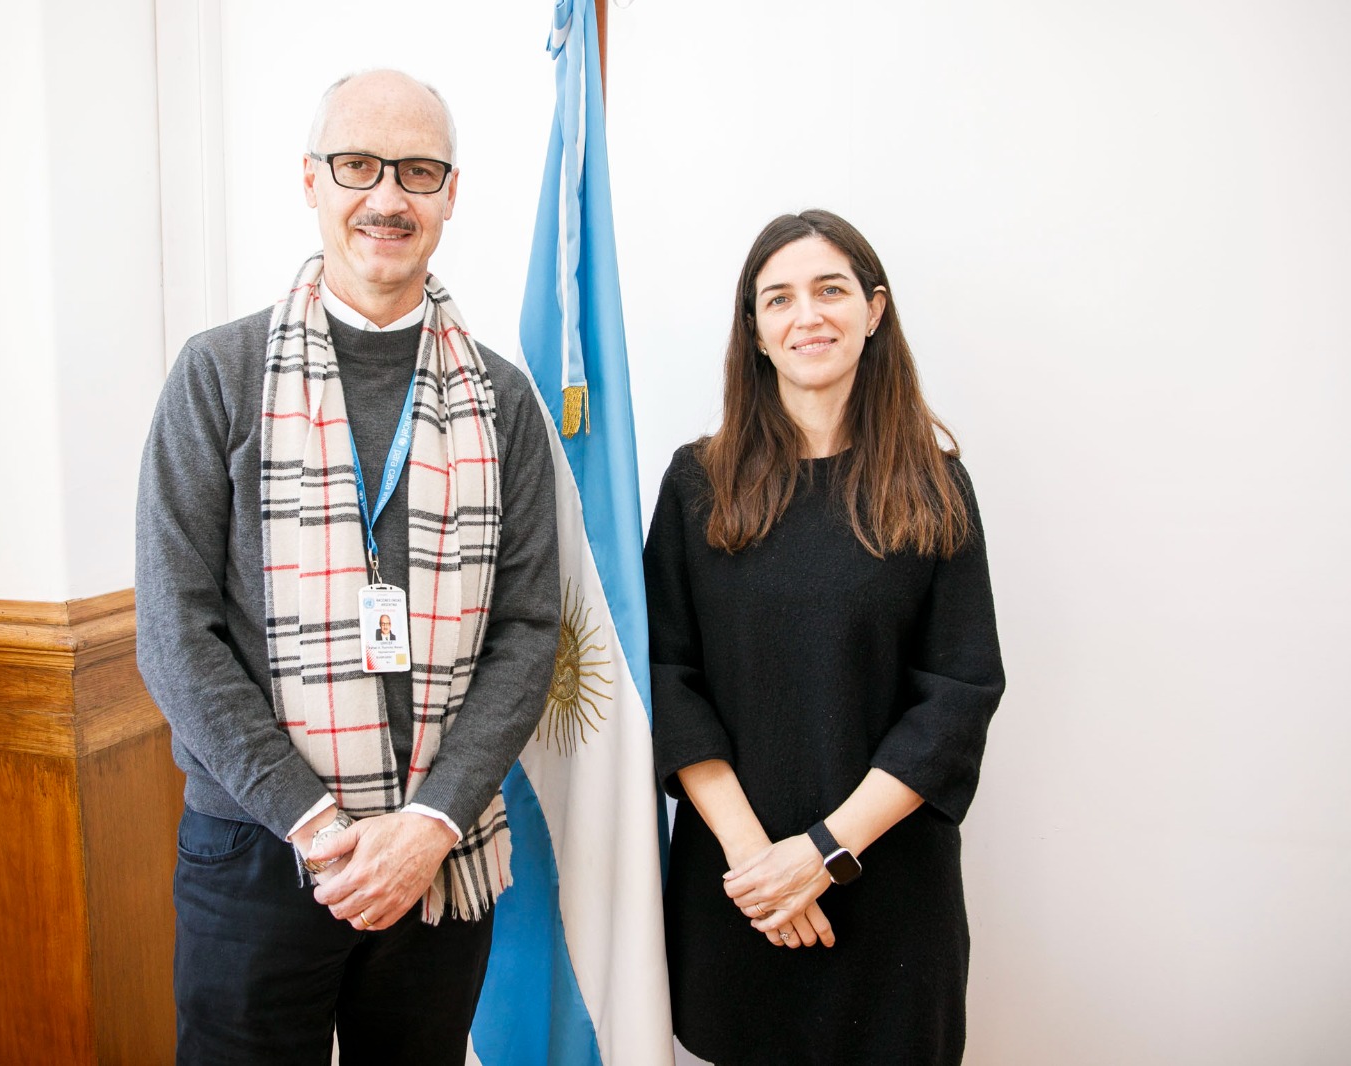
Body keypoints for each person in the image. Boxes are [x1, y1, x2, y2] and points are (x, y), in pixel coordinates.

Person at [135, 69, 559, 1065]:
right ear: (311, 181)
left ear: (450, 193)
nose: (386, 197)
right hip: (254, 848)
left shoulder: (502, 400)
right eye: (357, 165)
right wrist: (316, 821)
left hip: (436, 854)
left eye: (417, 171)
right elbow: (172, 635)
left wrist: (425, 826)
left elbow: (529, 631)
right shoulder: (217, 373)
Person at [644, 209, 1005, 1064]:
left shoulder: (935, 484)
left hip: (889, 899)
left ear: (874, 311)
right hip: (739, 890)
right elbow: (664, 674)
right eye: (780, 299)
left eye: (830, 290)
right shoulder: (699, 483)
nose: (808, 315)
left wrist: (824, 853)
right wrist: (761, 865)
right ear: (757, 331)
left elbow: (958, 694)